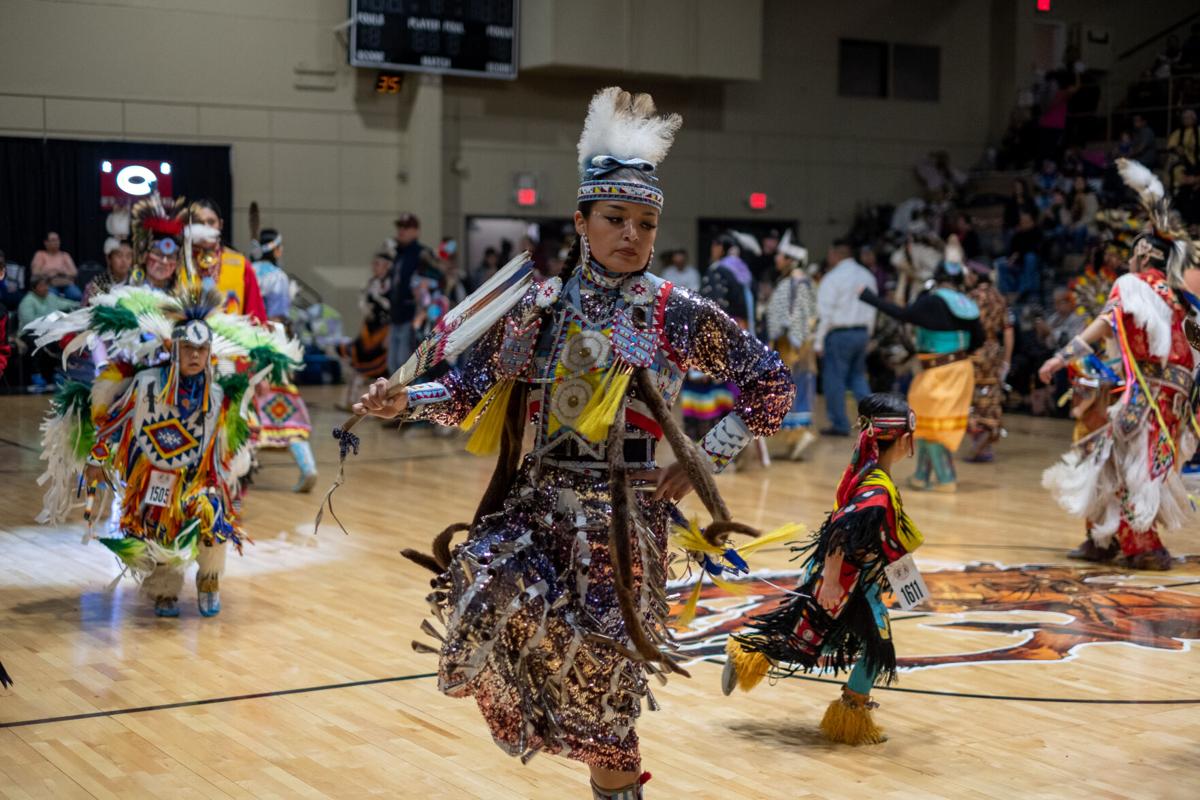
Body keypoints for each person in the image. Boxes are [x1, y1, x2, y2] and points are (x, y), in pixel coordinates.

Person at [354, 87, 791, 800]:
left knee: (607, 695)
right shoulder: (539, 308)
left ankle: (613, 780)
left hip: (624, 528)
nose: (631, 235)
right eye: (615, 218)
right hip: (535, 512)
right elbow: (467, 389)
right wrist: (406, 398)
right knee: (479, 593)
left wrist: (703, 455)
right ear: (581, 221)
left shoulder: (674, 313)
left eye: (646, 223)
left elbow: (770, 385)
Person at [32, 283, 299, 617]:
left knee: (212, 515)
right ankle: (164, 591)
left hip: (199, 482)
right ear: (174, 349)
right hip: (154, 479)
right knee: (157, 528)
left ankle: (209, 580)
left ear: (210, 353)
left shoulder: (217, 397)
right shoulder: (147, 386)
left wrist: (230, 467)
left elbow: (227, 446)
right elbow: (114, 423)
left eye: (201, 350)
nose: (195, 356)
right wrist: (98, 458)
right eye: (188, 348)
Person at [722, 393, 923, 745]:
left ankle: (751, 654)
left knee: (815, 639)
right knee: (877, 647)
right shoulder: (876, 489)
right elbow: (839, 532)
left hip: (854, 579)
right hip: (846, 581)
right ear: (905, 439)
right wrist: (830, 583)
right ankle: (849, 718)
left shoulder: (870, 474)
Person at [1039, 159, 1198, 570]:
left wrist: (1060, 358)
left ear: (1142, 257)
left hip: (1147, 395)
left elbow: (1104, 323)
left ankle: (1139, 545)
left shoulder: (1133, 286)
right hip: (1175, 397)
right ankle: (1103, 537)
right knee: (1112, 460)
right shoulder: (1180, 295)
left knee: (1127, 466)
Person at [860, 261, 983, 491]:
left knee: (932, 424)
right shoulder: (966, 304)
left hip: (938, 372)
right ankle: (921, 476)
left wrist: (868, 297)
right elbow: (979, 339)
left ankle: (946, 479)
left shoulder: (933, 301)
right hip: (958, 369)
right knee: (927, 423)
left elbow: (903, 314)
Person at [250, 229, 318, 492]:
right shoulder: (277, 277)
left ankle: (241, 469)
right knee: (285, 403)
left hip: (245, 344)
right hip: (273, 346)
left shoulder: (248, 270)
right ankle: (307, 466)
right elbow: (277, 316)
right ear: (276, 249)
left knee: (243, 407)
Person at [680, 233, 755, 440]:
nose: (712, 249)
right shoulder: (742, 271)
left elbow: (714, 309)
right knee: (728, 389)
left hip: (715, 337)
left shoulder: (718, 271)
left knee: (707, 388)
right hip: (735, 339)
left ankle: (704, 445)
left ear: (721, 247)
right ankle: (727, 446)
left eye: (715, 244)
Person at [814, 239, 876, 436]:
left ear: (836, 254)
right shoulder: (867, 276)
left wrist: (818, 340)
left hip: (839, 334)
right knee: (858, 377)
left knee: (834, 379)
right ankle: (871, 422)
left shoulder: (833, 278)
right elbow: (873, 307)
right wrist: (869, 334)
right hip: (861, 332)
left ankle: (840, 424)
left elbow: (825, 313)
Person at [765, 230, 818, 460]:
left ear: (791, 259)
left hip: (793, 348)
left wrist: (793, 343)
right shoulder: (796, 282)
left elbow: (798, 316)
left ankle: (800, 435)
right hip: (790, 345)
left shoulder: (797, 283)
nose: (777, 260)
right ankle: (793, 440)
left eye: (781, 256)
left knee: (792, 390)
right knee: (790, 390)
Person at [964, 262, 1014, 462]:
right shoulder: (1000, 298)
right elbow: (1009, 331)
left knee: (972, 397)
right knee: (991, 395)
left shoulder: (971, 298)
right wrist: (1007, 360)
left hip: (974, 350)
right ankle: (985, 443)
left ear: (976, 277)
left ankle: (979, 443)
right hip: (994, 350)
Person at [188, 199, 267, 321]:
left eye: (211, 222)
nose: (205, 227)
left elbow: (256, 315)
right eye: (199, 222)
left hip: (231, 337)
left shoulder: (240, 264)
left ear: (220, 224)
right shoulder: (177, 262)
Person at [337, 252, 392, 410]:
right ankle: (352, 402)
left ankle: (387, 406)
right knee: (356, 365)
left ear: (387, 266)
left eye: (378, 264)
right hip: (370, 331)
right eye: (373, 264)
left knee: (387, 371)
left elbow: (392, 309)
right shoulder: (370, 284)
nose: (374, 267)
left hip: (384, 332)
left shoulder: (391, 284)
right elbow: (365, 309)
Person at [387, 212, 440, 376]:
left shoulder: (422, 254)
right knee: (393, 363)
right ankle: (396, 400)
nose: (401, 231)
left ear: (416, 231)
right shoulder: (398, 255)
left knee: (405, 366)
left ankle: (409, 400)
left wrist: (424, 313)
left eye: (406, 227)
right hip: (397, 316)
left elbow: (436, 281)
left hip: (414, 317)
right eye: (400, 227)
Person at [18, 274, 79, 392]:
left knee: (63, 338)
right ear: (34, 288)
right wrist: (50, 319)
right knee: (36, 341)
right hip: (29, 333)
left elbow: (66, 303)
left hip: (49, 331)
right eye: (42, 286)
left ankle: (59, 373)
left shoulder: (51, 297)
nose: (45, 288)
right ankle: (36, 375)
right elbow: (30, 323)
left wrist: (81, 304)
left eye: (46, 285)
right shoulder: (27, 301)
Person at [996, 210, 1044, 302]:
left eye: (1026, 221)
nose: (1023, 223)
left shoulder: (1037, 232)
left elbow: (1034, 249)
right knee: (1000, 263)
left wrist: (1017, 255)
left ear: (1032, 222)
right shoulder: (1017, 235)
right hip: (1017, 262)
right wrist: (1010, 258)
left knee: (1030, 257)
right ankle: (1008, 293)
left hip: (1031, 262)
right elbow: (1011, 250)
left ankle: (1027, 291)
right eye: (1022, 221)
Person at [1167, 109, 1199, 224]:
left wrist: (1196, 179)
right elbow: (1171, 147)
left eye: (1189, 118)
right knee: (1182, 190)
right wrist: (1177, 149)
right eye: (1184, 118)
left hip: (1197, 167)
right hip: (1183, 166)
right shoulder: (1177, 133)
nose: (1186, 120)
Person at [30, 231, 81, 302]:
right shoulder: (40, 255)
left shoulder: (65, 255)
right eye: (53, 240)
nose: (56, 242)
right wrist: (51, 272)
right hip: (49, 284)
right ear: (46, 242)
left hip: (66, 283)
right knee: (52, 298)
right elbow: (35, 272)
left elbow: (74, 272)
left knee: (77, 295)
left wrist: (62, 272)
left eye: (57, 240)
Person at [83, 240, 133, 305]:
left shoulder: (136, 281)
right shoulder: (98, 282)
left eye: (128, 256)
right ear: (108, 259)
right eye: (119, 256)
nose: (124, 260)